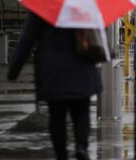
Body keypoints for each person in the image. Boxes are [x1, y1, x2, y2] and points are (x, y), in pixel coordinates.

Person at [8, 12, 101, 160]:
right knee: (81, 112)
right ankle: (81, 147)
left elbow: (27, 39)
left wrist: (14, 69)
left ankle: (61, 155)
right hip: (81, 66)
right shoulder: (83, 4)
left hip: (53, 69)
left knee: (57, 115)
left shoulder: (43, 7)